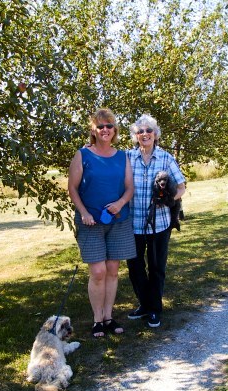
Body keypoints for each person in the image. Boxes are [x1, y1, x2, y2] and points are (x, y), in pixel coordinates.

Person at [68, 108, 136, 338]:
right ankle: (97, 320)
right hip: (90, 222)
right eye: (100, 126)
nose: (105, 130)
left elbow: (129, 188)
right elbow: (72, 188)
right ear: (93, 131)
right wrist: (84, 212)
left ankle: (108, 317)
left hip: (118, 220)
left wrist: (120, 202)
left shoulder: (122, 156)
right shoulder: (82, 155)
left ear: (115, 130)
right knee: (98, 271)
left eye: (109, 126)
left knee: (113, 270)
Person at [126, 114, 186, 328]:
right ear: (135, 135)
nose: (145, 134)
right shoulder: (127, 157)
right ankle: (145, 304)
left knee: (156, 267)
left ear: (155, 134)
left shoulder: (166, 158)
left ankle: (155, 310)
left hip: (159, 225)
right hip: (132, 224)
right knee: (135, 268)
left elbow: (181, 187)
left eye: (149, 130)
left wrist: (168, 199)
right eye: (140, 131)